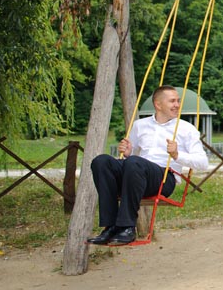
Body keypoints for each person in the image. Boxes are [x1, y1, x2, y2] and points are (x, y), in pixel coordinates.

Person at [87, 85, 209, 246]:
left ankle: (127, 227)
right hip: (136, 173)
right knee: (101, 161)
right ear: (158, 104)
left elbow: (203, 163)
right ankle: (110, 227)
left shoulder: (186, 129)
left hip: (164, 179)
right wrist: (129, 152)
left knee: (134, 162)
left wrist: (177, 155)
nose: (177, 105)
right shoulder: (140, 125)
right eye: (172, 101)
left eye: (178, 101)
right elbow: (132, 158)